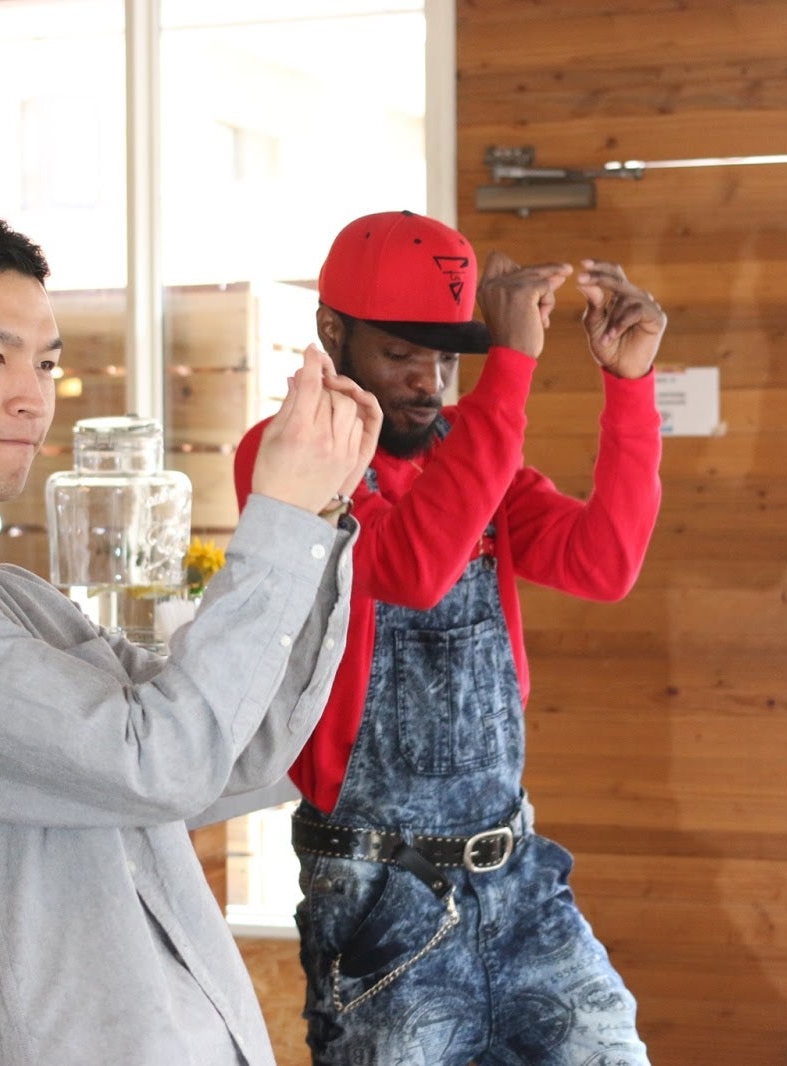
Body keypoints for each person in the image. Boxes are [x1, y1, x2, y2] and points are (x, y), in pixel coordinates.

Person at [0, 202, 380, 1066]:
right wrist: (276, 520)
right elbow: (161, 762)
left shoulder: (8, 596)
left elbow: (235, 753)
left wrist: (312, 516)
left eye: (46, 362)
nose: (33, 396)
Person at [232, 210, 666, 1064]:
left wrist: (630, 386)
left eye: (447, 359)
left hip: (519, 881)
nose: (429, 382)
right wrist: (509, 370)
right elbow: (412, 568)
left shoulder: (471, 455)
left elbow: (604, 563)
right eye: (402, 353)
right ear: (332, 332)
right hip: (381, 899)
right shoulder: (286, 455)